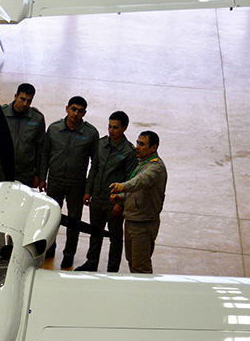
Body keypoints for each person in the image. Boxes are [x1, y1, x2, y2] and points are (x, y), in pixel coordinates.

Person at [40, 96, 98, 269]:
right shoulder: (54, 129)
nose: (76, 113)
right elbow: (44, 154)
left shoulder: (90, 134)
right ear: (66, 109)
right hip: (55, 181)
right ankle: (49, 249)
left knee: (74, 221)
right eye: (73, 109)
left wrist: (88, 189)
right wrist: (43, 178)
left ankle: (69, 254)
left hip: (77, 184)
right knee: (51, 218)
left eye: (80, 111)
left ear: (84, 113)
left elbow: (95, 164)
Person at [75, 111, 137, 272]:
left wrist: (121, 203)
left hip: (113, 202)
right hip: (97, 198)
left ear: (124, 128)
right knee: (95, 233)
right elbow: (94, 169)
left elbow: (129, 181)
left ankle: (112, 268)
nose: (111, 130)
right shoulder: (101, 144)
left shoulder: (129, 152)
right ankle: (91, 262)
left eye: (115, 127)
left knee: (115, 237)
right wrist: (88, 191)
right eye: (110, 126)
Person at [110, 131, 167, 274]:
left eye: (142, 144)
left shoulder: (155, 167)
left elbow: (140, 181)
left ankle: (145, 295)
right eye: (137, 143)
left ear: (153, 148)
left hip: (143, 224)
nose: (137, 147)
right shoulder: (143, 163)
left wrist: (123, 186)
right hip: (132, 220)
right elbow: (137, 191)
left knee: (141, 267)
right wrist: (121, 197)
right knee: (133, 262)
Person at [0, 83, 45, 188]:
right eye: (22, 99)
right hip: (1, 171)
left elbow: (40, 148)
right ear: (15, 96)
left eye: (29, 101)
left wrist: (38, 174)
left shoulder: (37, 119)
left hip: (25, 174)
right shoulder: (0, 115)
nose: (25, 104)